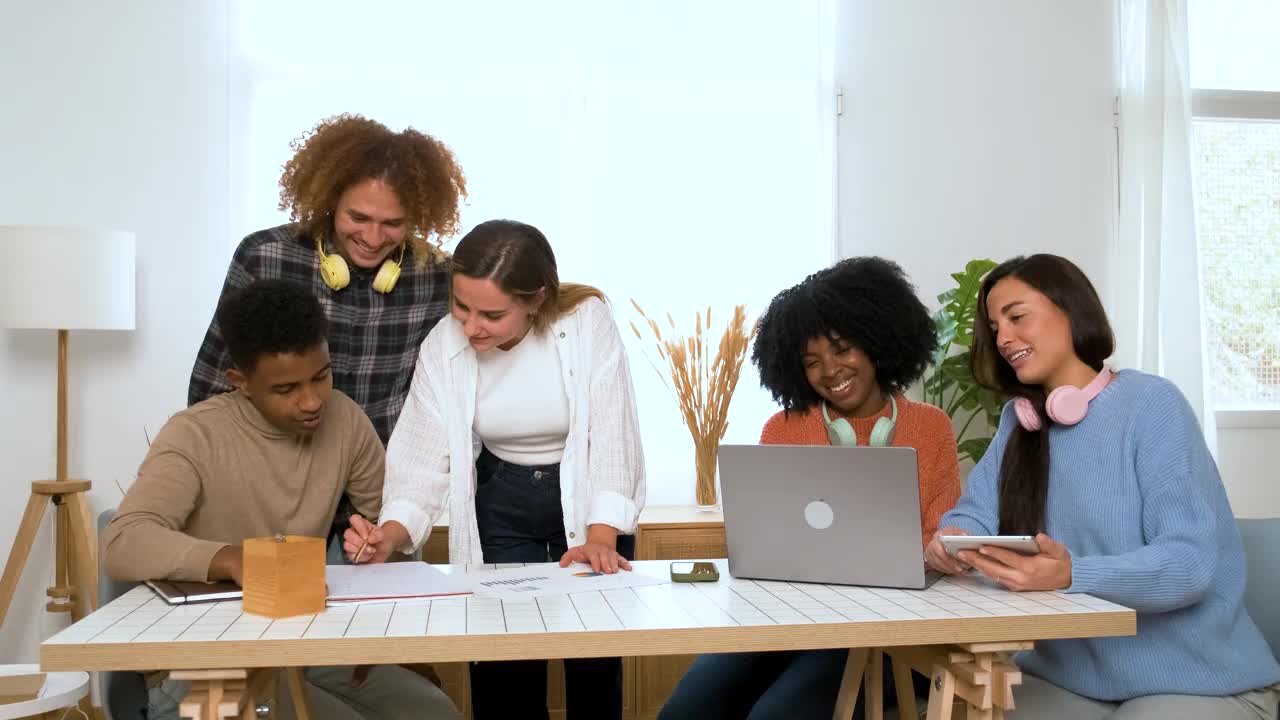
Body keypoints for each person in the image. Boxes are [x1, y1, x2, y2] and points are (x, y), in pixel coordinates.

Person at [924, 253, 1280, 719]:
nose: (1005, 338)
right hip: (1070, 676)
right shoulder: (1021, 420)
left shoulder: (1152, 405)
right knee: (966, 708)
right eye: (995, 328)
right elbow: (975, 513)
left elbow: (1190, 564)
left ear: (1070, 309)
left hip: (1199, 680)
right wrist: (954, 540)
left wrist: (1073, 574)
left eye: (1016, 317)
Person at [104, 279, 459, 720]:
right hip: (207, 664)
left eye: (321, 376)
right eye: (286, 389)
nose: (312, 401)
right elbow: (123, 542)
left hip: (307, 644)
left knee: (434, 712)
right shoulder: (192, 434)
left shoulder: (345, 421)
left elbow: (387, 527)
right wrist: (238, 561)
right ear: (242, 382)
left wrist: (376, 548)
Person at [343, 219, 646, 720]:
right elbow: (422, 453)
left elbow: (615, 432)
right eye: (461, 307)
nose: (471, 326)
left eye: (492, 314)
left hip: (593, 507)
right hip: (502, 504)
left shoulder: (588, 320)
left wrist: (601, 536)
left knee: (593, 668)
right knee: (506, 669)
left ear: (537, 299)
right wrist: (390, 535)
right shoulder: (443, 344)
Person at [660, 257, 960, 720]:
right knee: (685, 710)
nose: (830, 370)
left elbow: (944, 539)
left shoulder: (930, 428)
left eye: (842, 349)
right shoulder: (782, 428)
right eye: (812, 362)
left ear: (877, 341)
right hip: (786, 619)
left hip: (878, 630)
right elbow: (758, 542)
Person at [188, 113, 466, 548]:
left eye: (393, 224)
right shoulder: (265, 257)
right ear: (331, 198)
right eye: (359, 217)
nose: (373, 238)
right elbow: (210, 387)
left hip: (380, 505)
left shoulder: (438, 277)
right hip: (277, 491)